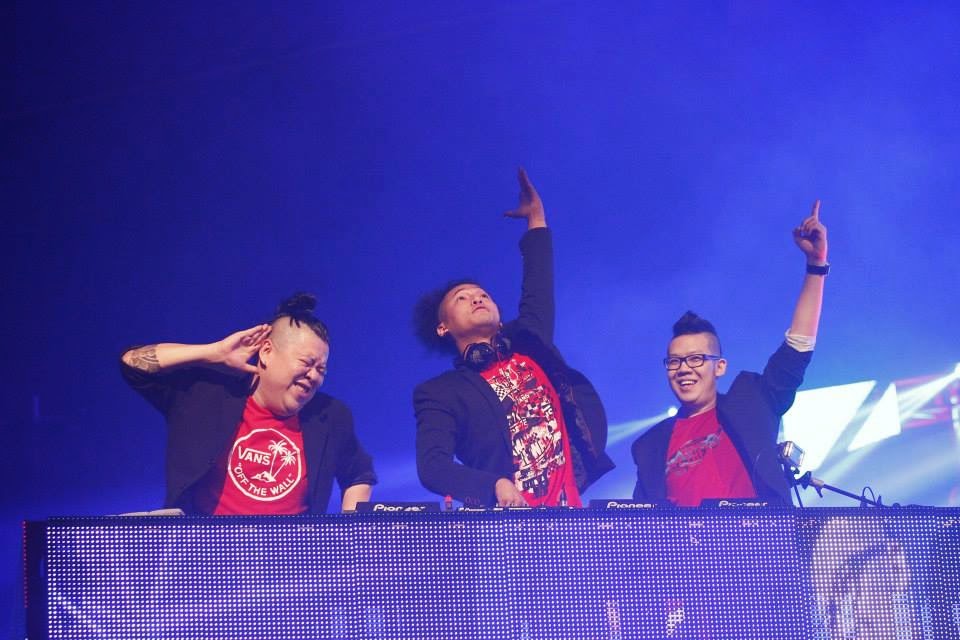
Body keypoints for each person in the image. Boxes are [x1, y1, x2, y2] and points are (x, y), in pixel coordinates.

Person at [413, 169, 614, 508]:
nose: (477, 298)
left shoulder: (529, 345)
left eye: (483, 295)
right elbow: (432, 466)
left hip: (567, 518)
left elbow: (538, 287)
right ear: (443, 327)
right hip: (503, 524)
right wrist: (493, 485)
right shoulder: (440, 392)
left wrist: (536, 219)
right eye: (462, 298)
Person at [631, 201, 829, 506]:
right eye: (675, 361)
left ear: (720, 366)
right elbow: (640, 522)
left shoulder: (752, 402)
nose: (684, 369)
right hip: (685, 539)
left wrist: (816, 266)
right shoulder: (650, 446)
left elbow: (797, 348)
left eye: (696, 359)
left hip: (761, 535)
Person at [121, 293, 376, 514]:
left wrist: (350, 531)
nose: (313, 376)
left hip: (291, 553)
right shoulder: (206, 394)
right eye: (307, 363)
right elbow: (132, 364)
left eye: (321, 370)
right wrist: (213, 352)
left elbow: (359, 474)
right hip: (205, 548)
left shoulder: (331, 415)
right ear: (266, 352)